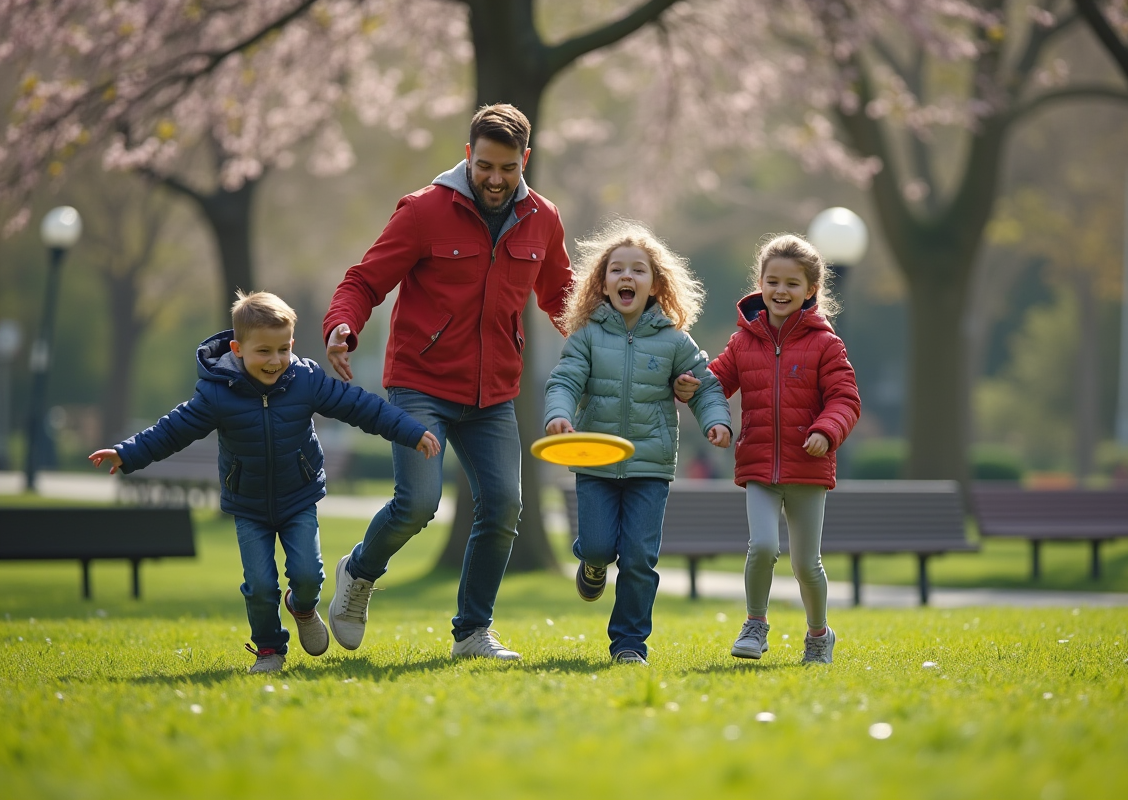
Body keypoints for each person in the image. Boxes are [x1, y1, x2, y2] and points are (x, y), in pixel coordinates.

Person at [319, 103, 577, 661]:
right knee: (418, 503)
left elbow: (562, 298)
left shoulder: (543, 218)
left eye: (507, 168)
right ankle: (358, 574)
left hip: (495, 392)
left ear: (524, 161)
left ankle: (472, 632)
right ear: (468, 155)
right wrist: (342, 325)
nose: (494, 178)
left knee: (505, 505)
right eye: (485, 165)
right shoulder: (424, 211)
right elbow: (365, 280)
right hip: (421, 382)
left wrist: (604, 349)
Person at [88, 291, 440, 674]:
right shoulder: (216, 394)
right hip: (248, 504)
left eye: (283, 349)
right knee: (259, 585)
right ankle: (270, 650)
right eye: (264, 352)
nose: (275, 361)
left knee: (308, 575)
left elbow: (360, 406)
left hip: (298, 496)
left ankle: (303, 607)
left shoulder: (305, 381)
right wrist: (127, 453)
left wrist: (410, 431)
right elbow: (173, 430)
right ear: (238, 349)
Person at [544, 220, 732, 665]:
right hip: (595, 462)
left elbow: (704, 386)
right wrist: (558, 414)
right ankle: (591, 566)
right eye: (616, 270)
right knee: (597, 546)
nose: (626, 277)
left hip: (650, 466)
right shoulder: (587, 336)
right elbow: (564, 380)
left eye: (638, 270)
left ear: (655, 284)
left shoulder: (673, 341)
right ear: (602, 283)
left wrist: (716, 421)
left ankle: (629, 644)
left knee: (639, 559)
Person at [687, 234, 860, 664]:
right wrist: (691, 386)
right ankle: (755, 625)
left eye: (792, 284)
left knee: (806, 564)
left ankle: (819, 634)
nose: (781, 291)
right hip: (759, 464)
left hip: (809, 466)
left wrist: (827, 430)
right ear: (760, 283)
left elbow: (845, 399)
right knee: (761, 546)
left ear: (811, 291)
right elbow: (716, 382)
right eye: (773, 281)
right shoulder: (744, 341)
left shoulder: (825, 344)